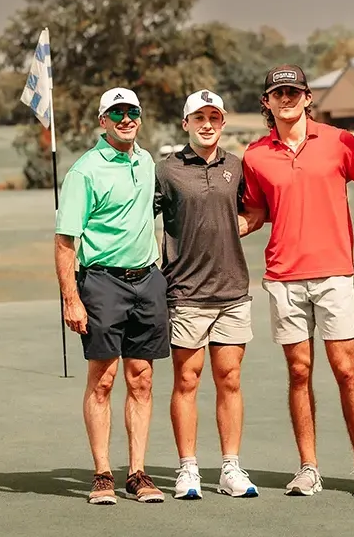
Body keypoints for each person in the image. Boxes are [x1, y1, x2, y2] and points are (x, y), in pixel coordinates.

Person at [239, 65, 354, 498]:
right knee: (299, 372)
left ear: (307, 97)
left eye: (294, 92)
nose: (286, 99)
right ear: (267, 101)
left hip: (335, 272)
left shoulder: (340, 142)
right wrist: (213, 228)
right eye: (278, 93)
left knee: (346, 370)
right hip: (284, 277)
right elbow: (256, 213)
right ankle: (308, 467)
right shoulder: (255, 155)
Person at [54, 87, 169, 505]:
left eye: (132, 112)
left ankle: (137, 472)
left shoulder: (146, 159)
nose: (126, 119)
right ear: (103, 121)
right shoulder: (85, 171)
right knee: (102, 379)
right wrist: (71, 297)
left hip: (147, 281)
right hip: (102, 282)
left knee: (142, 377)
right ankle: (103, 473)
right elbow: (66, 239)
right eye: (117, 113)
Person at [154, 89, 259, 500]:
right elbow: (147, 217)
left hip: (232, 289)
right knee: (187, 379)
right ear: (186, 124)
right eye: (199, 117)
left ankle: (230, 467)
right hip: (186, 291)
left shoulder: (236, 166)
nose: (207, 124)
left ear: (223, 121)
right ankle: (188, 468)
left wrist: (236, 229)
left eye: (214, 116)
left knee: (229, 379)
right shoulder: (168, 170)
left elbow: (255, 210)